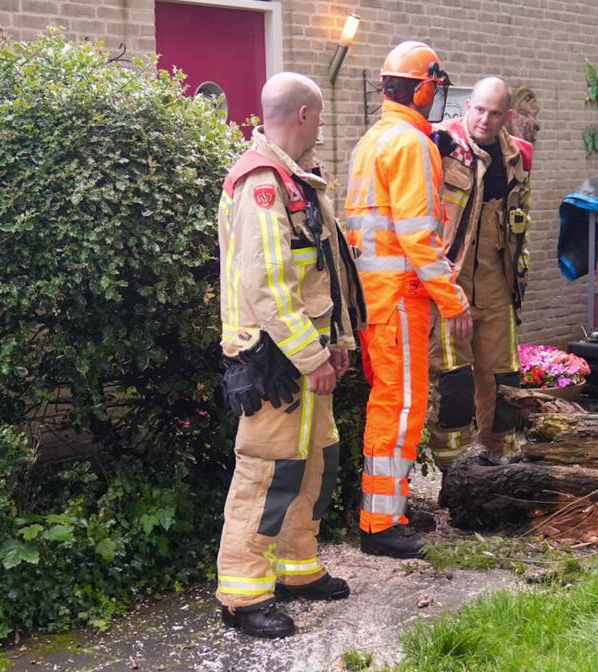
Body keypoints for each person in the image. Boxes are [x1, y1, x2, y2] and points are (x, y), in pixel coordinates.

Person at [215, 72, 367, 638]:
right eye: (321, 115)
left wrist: (341, 343)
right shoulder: (261, 182)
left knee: (314, 463)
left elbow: (328, 274)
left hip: (308, 356)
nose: (323, 125)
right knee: (266, 474)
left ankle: (297, 568)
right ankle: (242, 593)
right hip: (274, 363)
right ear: (303, 114)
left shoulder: (297, 181)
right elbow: (268, 286)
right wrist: (313, 358)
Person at [342, 41, 471, 559]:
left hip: (379, 297)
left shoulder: (375, 140)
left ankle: (388, 507)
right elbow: (419, 237)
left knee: (392, 403)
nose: (436, 99)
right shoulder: (410, 146)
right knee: (399, 408)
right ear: (421, 88)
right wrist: (453, 299)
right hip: (401, 297)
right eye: (435, 89)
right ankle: (378, 523)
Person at [426, 77, 534, 469]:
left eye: (494, 113)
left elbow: (520, 222)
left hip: (496, 280)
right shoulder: (441, 146)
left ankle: (498, 460)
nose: (485, 120)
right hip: (449, 281)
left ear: (506, 115)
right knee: (453, 380)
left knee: (504, 378)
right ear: (468, 105)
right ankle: (453, 470)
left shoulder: (517, 157)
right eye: (479, 110)